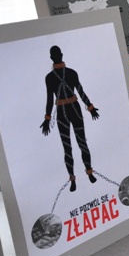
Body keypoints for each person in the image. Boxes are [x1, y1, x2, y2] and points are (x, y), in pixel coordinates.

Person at [41, 45, 101, 193]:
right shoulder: (51, 77)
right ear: (55, 57)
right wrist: (47, 118)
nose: (57, 56)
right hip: (65, 112)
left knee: (81, 143)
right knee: (68, 147)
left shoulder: (69, 73)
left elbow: (80, 91)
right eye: (55, 55)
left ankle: (89, 172)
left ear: (57, 56)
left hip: (72, 110)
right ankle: (73, 178)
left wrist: (90, 107)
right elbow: (50, 99)